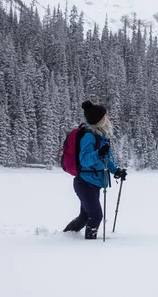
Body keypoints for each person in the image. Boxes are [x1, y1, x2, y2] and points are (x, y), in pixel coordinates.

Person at [63, 101, 127, 239]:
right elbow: (84, 160)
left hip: (93, 182)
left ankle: (66, 236)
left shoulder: (100, 137)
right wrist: (98, 153)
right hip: (85, 183)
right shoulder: (89, 137)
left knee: (85, 215)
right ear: (100, 120)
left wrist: (116, 171)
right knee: (96, 216)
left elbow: (106, 159)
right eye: (106, 116)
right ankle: (90, 245)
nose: (108, 118)